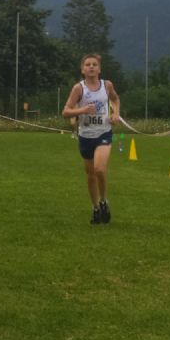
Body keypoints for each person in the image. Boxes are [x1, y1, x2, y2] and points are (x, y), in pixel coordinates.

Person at [62, 52, 120, 225]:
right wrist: (82, 110)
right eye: (88, 65)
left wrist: (116, 113)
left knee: (99, 169)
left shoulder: (107, 85)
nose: (91, 67)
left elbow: (115, 99)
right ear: (83, 70)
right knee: (90, 175)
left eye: (94, 64)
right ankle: (95, 208)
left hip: (104, 133)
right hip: (86, 136)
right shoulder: (78, 89)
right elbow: (66, 111)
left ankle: (104, 201)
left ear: (99, 69)